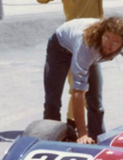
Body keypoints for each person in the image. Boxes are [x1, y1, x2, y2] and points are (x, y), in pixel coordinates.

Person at [43, 17, 123, 144]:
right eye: (107, 38)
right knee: (52, 102)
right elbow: (78, 93)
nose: (109, 46)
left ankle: (98, 141)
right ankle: (50, 142)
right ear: (102, 34)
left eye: (115, 43)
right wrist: (82, 134)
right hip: (60, 48)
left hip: (91, 53)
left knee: (96, 102)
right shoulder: (87, 46)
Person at [37, 0, 104, 129]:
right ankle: (57, 129)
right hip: (71, 40)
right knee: (76, 89)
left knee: (86, 91)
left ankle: (72, 124)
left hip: (92, 42)